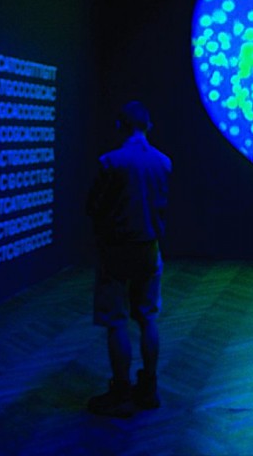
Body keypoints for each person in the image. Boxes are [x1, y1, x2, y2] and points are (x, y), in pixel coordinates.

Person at [86, 100, 173, 416]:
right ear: (149, 126)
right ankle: (149, 387)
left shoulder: (111, 162)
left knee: (116, 321)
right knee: (148, 317)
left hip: (116, 248)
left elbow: (94, 206)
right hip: (148, 247)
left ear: (119, 126)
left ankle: (121, 391)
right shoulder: (163, 162)